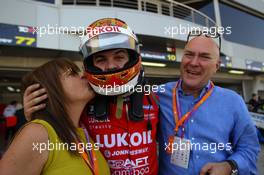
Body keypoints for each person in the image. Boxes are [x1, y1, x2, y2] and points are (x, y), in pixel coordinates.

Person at [22, 18, 159, 175]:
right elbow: (53, 125)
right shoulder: (81, 102)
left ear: (133, 58)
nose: (111, 66)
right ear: (89, 65)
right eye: (101, 59)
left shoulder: (155, 98)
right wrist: (37, 113)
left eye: (119, 57)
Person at [157, 31, 260, 175]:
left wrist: (229, 166)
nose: (193, 62)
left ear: (216, 66)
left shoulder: (233, 102)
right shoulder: (158, 95)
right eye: (189, 54)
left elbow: (250, 148)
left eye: (204, 57)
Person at [0, 58, 110, 175]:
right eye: (72, 73)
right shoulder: (37, 133)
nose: (84, 74)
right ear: (49, 89)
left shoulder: (84, 131)